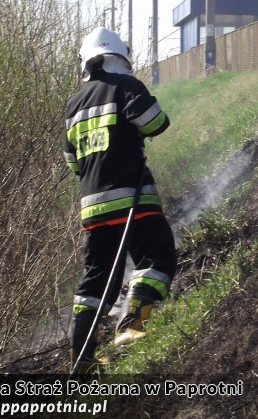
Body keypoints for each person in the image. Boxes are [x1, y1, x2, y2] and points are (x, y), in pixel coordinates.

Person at [62, 26, 177, 371]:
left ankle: (80, 362)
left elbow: (72, 161)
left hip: (92, 206)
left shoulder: (73, 104)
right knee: (157, 258)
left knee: (97, 279)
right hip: (131, 197)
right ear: (121, 57)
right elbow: (156, 122)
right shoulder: (126, 86)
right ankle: (130, 326)